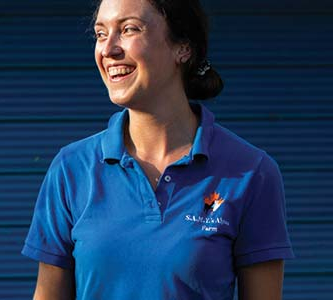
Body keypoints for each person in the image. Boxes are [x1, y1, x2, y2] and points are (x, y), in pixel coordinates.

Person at [21, 0, 293, 299]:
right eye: (100, 34)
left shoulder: (252, 172)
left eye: (128, 29)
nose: (108, 49)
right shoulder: (71, 168)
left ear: (183, 48)